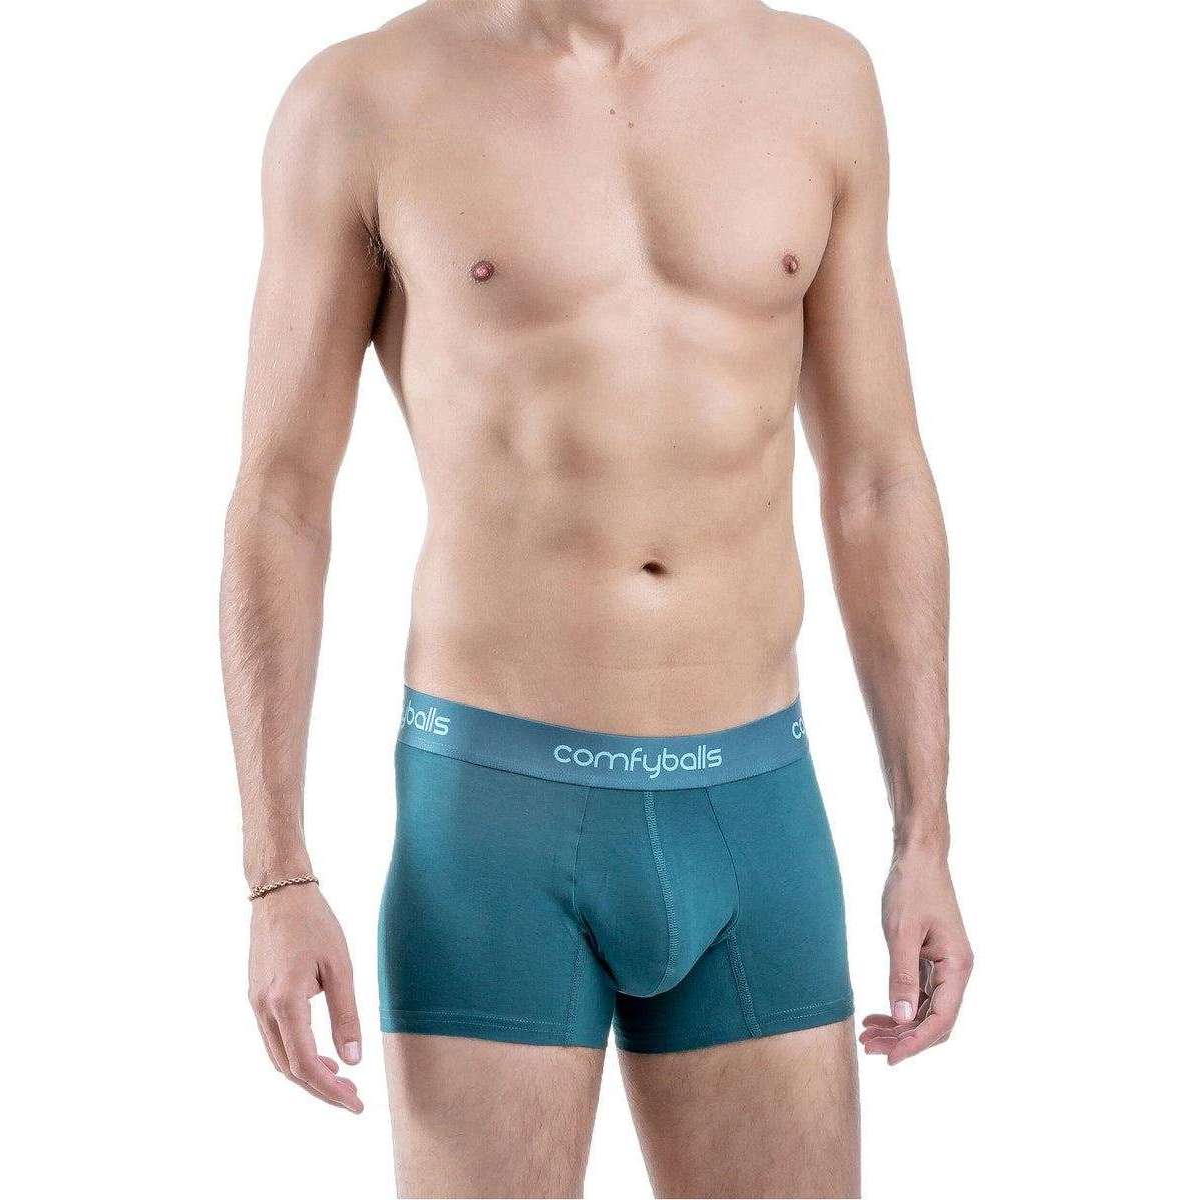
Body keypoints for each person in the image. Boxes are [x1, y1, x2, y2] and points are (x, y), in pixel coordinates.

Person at [220, 2, 973, 1195]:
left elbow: (878, 481)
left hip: (756, 806)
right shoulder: (363, 99)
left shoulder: (818, 81)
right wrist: (278, 873)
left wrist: (924, 836)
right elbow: (281, 500)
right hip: (493, 819)